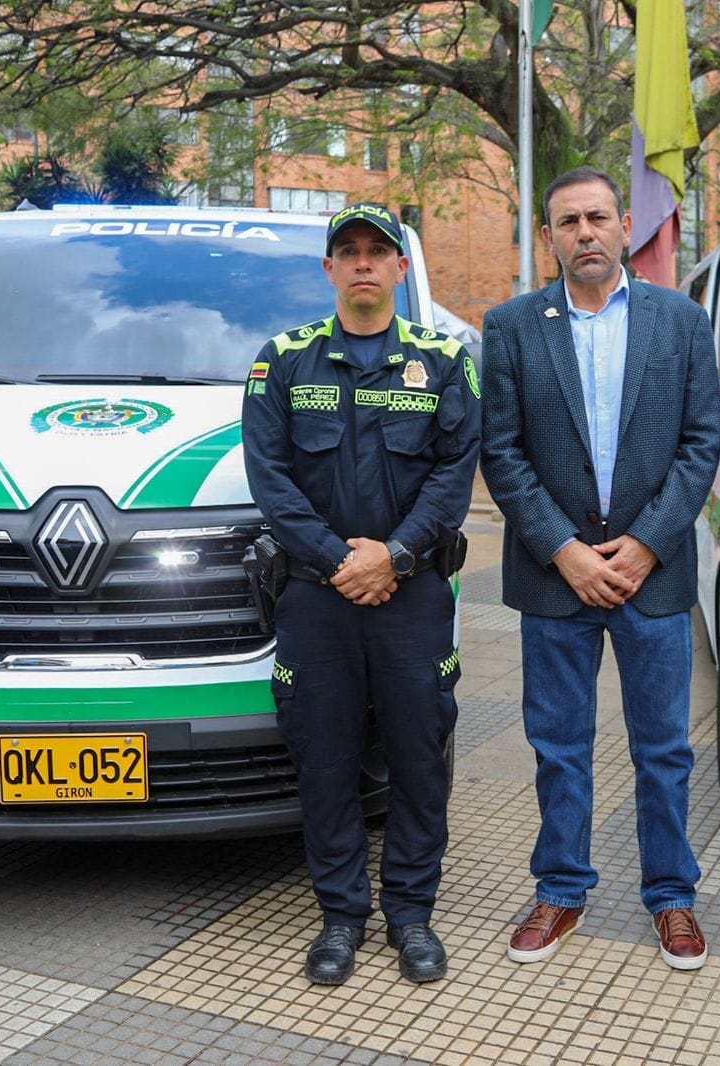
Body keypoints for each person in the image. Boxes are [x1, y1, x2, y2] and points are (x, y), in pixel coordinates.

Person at [480, 166, 720, 971]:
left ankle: (673, 898)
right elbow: (503, 453)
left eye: (598, 218)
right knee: (558, 743)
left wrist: (648, 541)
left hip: (654, 570)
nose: (585, 233)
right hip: (557, 574)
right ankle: (560, 889)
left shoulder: (681, 321)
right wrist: (565, 549)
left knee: (664, 748)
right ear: (548, 237)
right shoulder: (512, 325)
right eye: (567, 221)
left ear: (626, 227)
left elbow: (700, 444)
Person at [241, 202, 480, 987]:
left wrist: (398, 557)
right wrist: (342, 561)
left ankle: (411, 914)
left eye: (379, 251)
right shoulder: (282, 361)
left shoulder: (445, 360)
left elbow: (453, 474)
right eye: (349, 251)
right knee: (326, 759)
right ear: (330, 270)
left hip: (412, 599)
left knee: (417, 756)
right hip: (315, 598)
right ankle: (340, 916)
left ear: (402, 269)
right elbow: (271, 482)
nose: (365, 263)